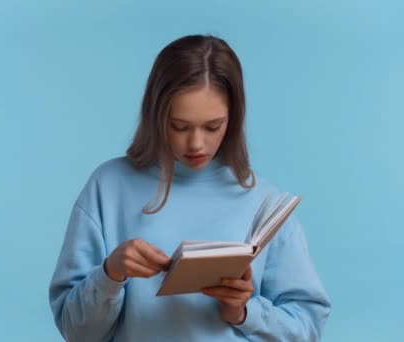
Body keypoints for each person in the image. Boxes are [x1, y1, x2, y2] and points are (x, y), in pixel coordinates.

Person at [49, 34, 331, 341]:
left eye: (213, 126)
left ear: (233, 118)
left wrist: (244, 312)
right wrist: (111, 273)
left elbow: (307, 328)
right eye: (179, 126)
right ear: (156, 115)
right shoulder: (108, 187)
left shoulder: (265, 203)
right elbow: (74, 331)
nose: (196, 143)